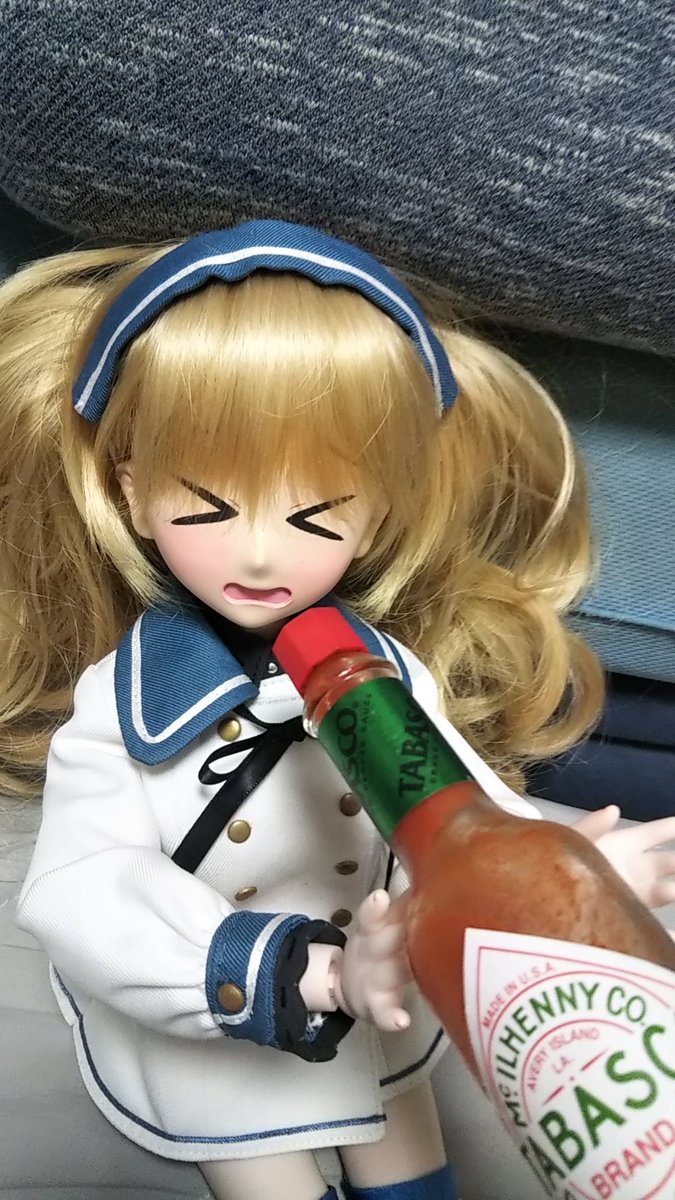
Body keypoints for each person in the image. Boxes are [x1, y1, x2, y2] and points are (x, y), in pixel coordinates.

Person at [2, 220, 673, 1200]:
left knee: (414, 1174)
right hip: (225, 1009)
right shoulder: (124, 705)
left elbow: (463, 815)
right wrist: (295, 975)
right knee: (267, 1172)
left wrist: (578, 875)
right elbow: (82, 888)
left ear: (379, 510)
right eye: (208, 508)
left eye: (317, 516)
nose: (260, 554)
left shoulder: (383, 674)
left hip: (388, 990)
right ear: (132, 489)